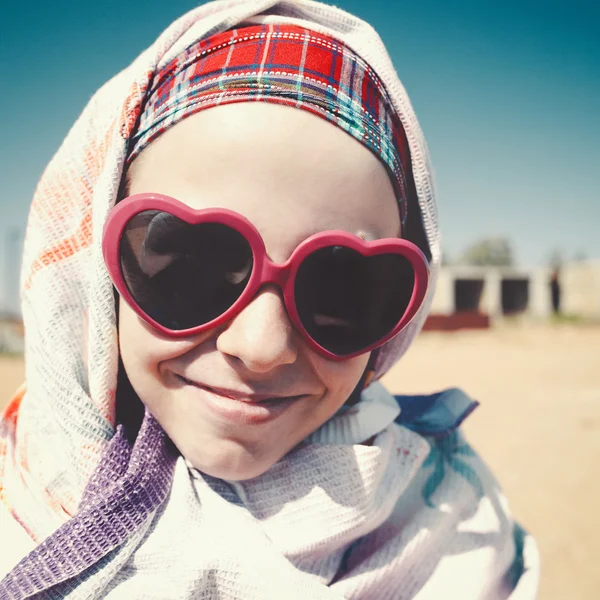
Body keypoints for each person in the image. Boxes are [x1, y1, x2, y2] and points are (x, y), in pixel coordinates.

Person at [0, 1, 539, 597]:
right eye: (191, 264)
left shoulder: (458, 521)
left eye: (341, 287)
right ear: (96, 269)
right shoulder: (16, 496)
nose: (262, 347)